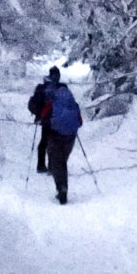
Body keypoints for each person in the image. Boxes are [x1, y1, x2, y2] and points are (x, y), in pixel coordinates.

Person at [27, 65, 83, 204]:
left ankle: (45, 167)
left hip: (50, 124)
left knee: (46, 145)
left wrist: (39, 115)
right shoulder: (63, 88)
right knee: (59, 155)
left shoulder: (43, 87)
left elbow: (33, 104)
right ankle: (53, 169)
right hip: (69, 128)